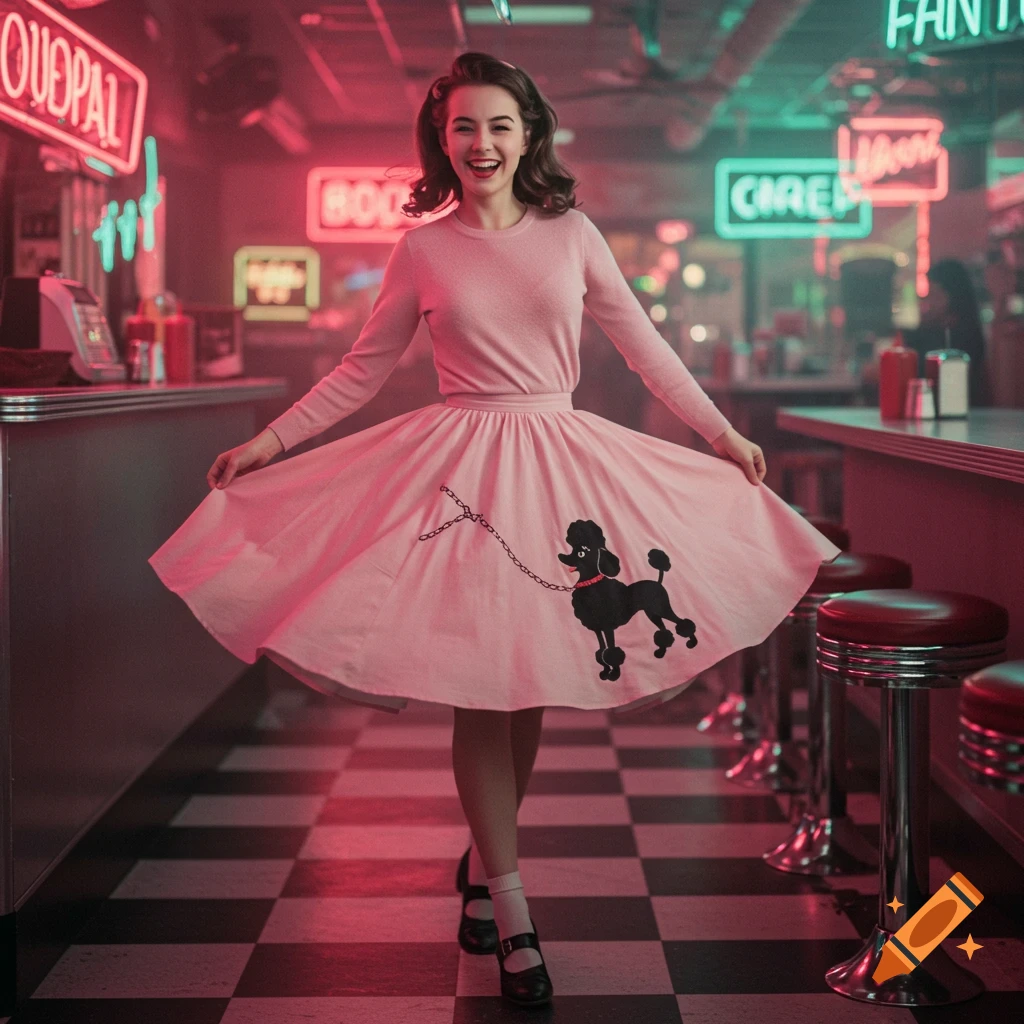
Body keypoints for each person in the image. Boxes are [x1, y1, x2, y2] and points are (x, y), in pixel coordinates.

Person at [148, 53, 839, 1008]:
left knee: (529, 685)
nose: (481, 143)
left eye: (499, 126)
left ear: (528, 135)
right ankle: (513, 911)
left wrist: (721, 433)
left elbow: (647, 351)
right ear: (442, 139)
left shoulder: (573, 233)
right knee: (486, 685)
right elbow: (359, 372)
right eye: (463, 127)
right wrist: (267, 442)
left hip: (561, 466)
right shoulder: (423, 247)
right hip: (459, 479)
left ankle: (481, 866)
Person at [906, 258, 990, 408]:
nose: (928, 302)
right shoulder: (926, 332)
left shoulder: (964, 337)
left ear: (952, 295)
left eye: (934, 294)